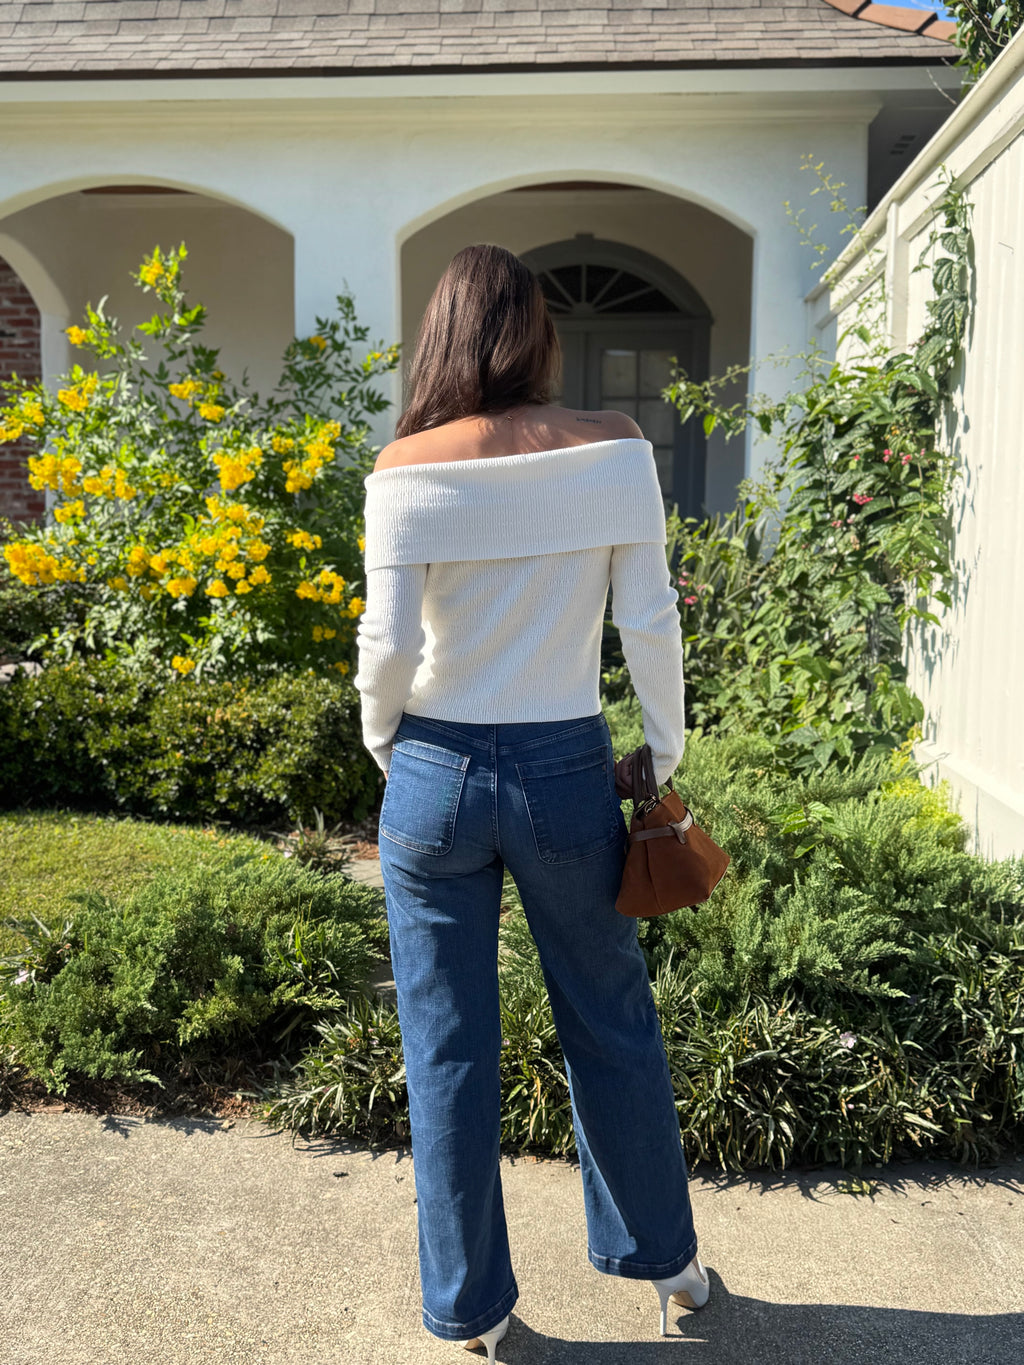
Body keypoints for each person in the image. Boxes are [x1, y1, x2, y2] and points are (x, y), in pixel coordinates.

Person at [354, 243, 708, 1360]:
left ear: (439, 339)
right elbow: (649, 618)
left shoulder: (404, 467)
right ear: (538, 334)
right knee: (610, 1020)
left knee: (446, 1047)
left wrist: (385, 743)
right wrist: (661, 748)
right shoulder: (614, 448)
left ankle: (475, 1310)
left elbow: (386, 645)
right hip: (565, 767)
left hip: (432, 771)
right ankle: (668, 1266)